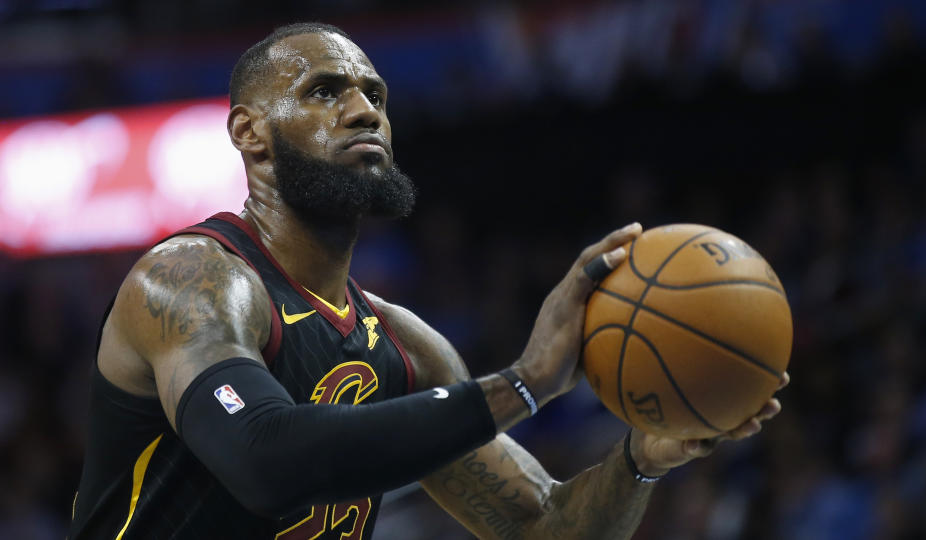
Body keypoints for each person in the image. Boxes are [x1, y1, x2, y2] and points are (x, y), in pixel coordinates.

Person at [68, 22, 786, 540]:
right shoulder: (188, 281)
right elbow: (264, 460)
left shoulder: (404, 347)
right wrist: (526, 382)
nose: (363, 110)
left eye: (374, 93)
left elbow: (543, 529)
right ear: (250, 133)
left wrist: (641, 459)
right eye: (325, 91)